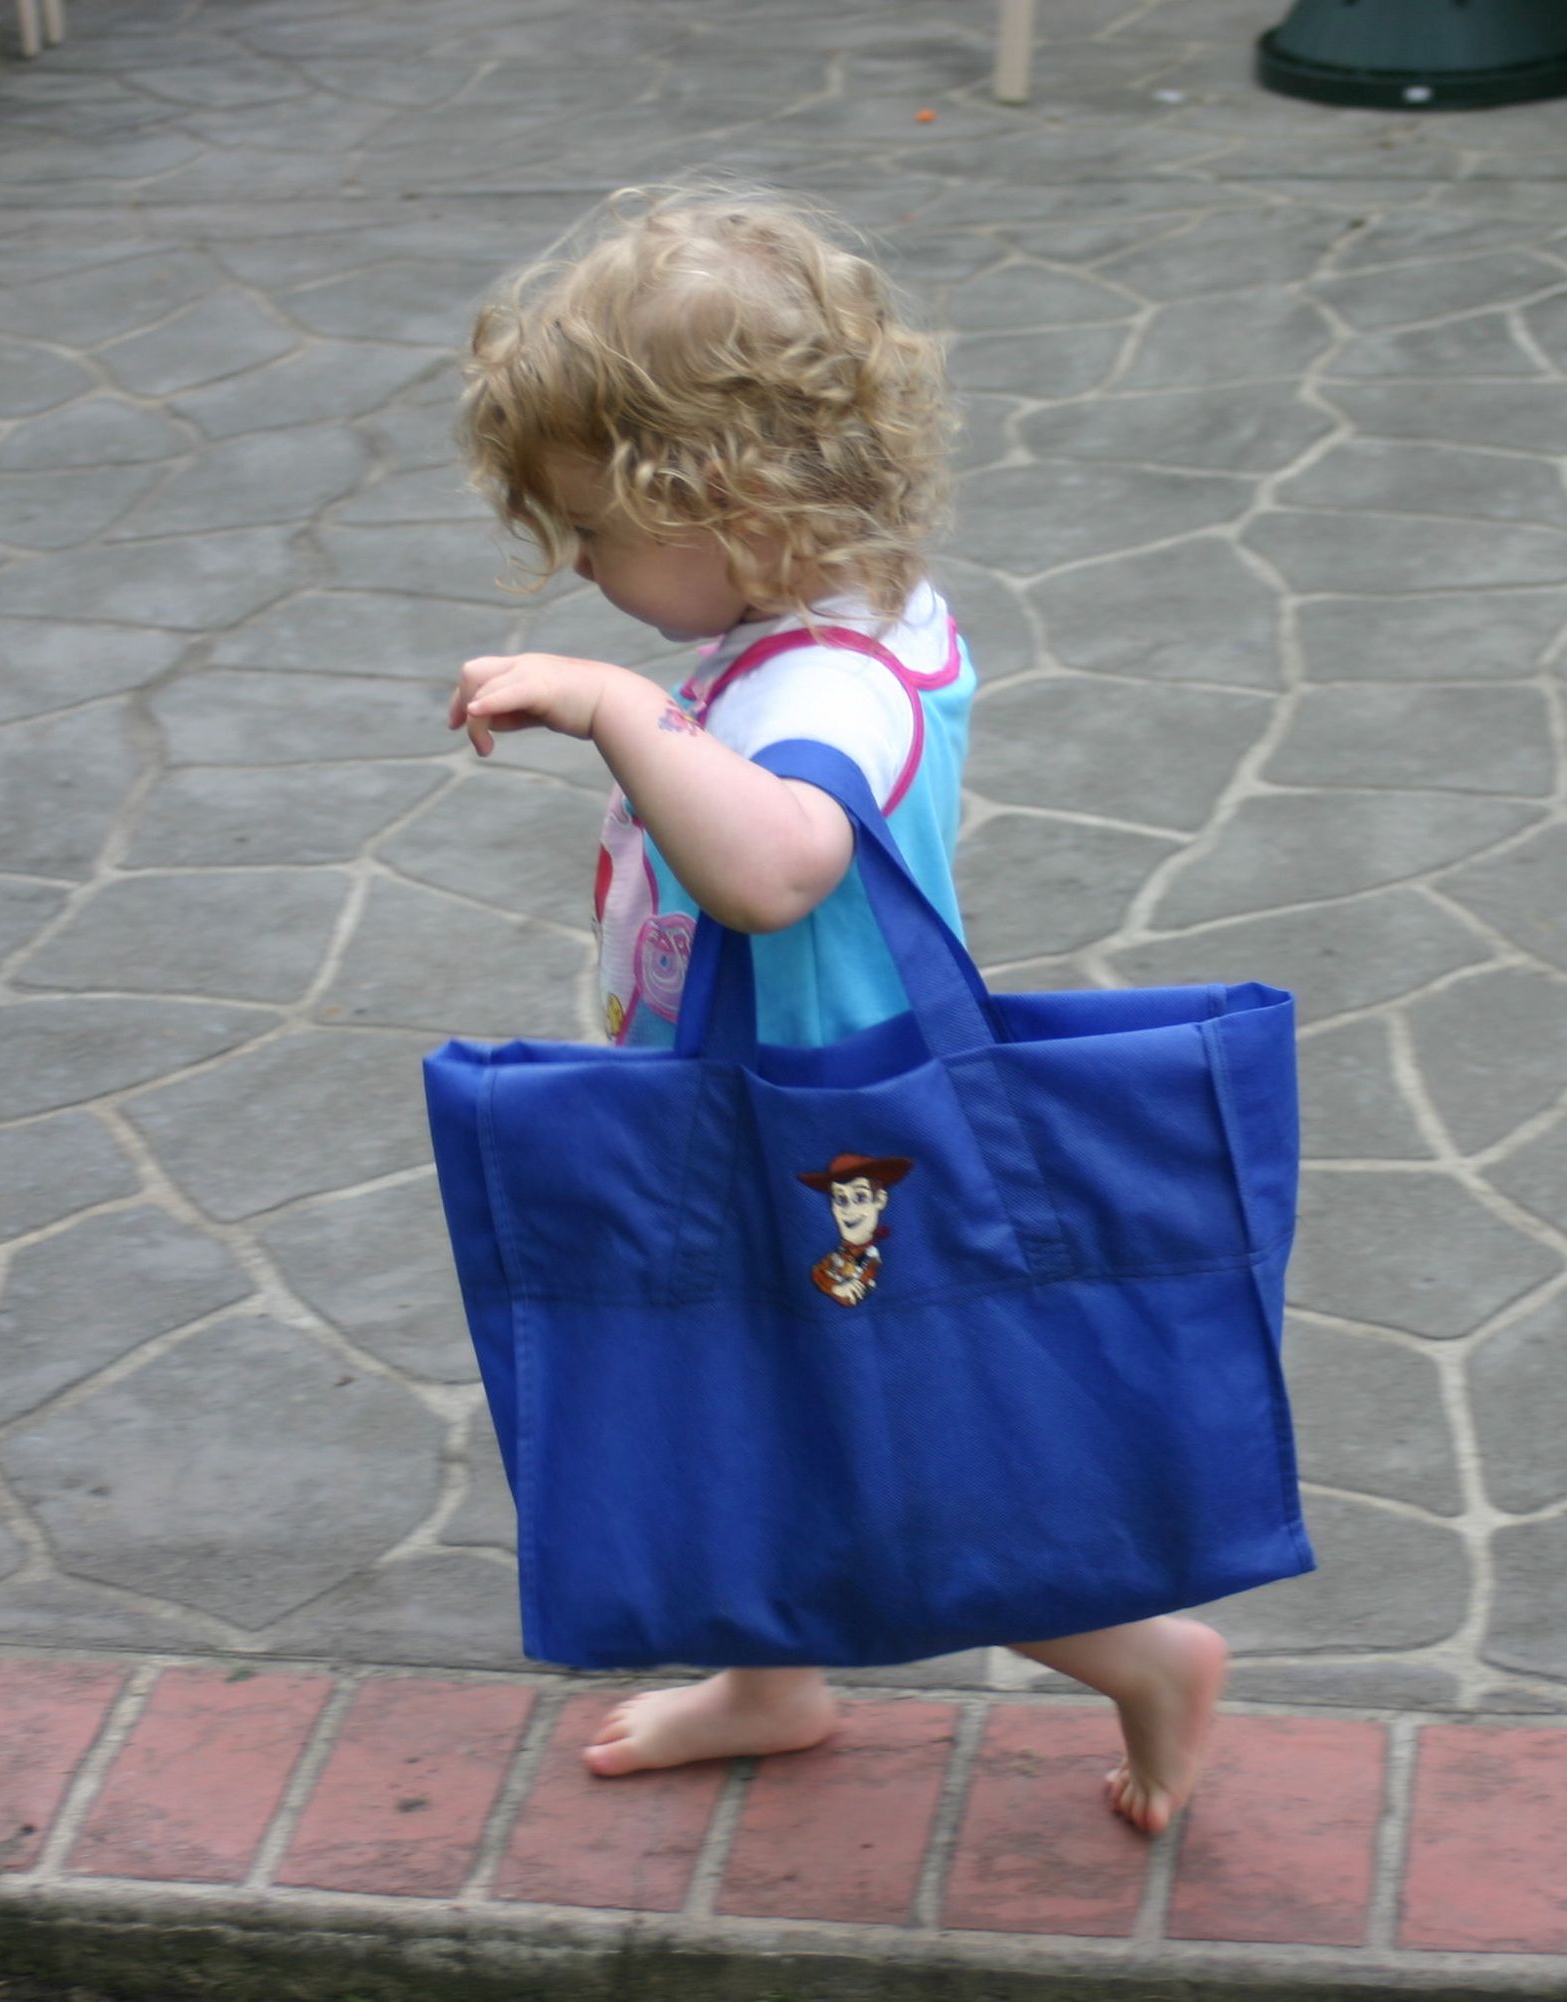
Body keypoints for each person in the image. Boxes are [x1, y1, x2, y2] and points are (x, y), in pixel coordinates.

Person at [446, 185, 1230, 1836]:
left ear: (721, 500)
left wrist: (614, 705)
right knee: (747, 1396)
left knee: (890, 1449)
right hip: (762, 1099)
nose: (580, 565)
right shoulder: (846, 607)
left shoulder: (828, 684)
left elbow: (777, 867)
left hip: (833, 1141)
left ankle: (1145, 1656)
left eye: (595, 529)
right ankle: (770, 1677)